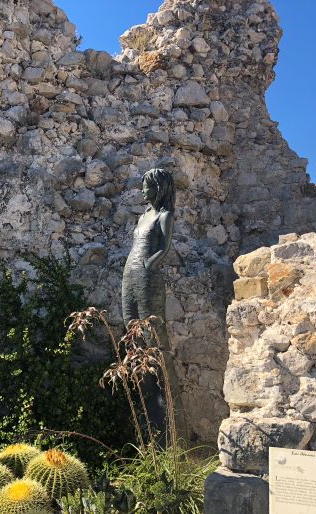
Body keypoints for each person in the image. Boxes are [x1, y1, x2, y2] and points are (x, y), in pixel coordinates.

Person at [121, 168, 187, 440]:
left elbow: (165, 246)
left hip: (148, 277)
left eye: (147, 187)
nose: (142, 191)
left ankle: (170, 423)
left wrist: (149, 264)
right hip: (130, 275)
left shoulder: (164, 215)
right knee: (132, 338)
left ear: (158, 188)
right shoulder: (143, 215)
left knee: (154, 340)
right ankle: (149, 410)